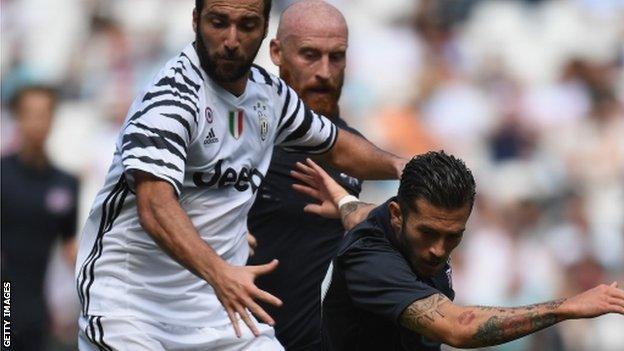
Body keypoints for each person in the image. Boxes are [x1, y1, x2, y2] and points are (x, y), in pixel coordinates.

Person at [74, 0, 405, 350]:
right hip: (132, 310)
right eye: (219, 22)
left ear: (264, 30)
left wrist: (405, 167)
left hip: (215, 314)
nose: (231, 39)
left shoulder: (269, 96)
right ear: (196, 20)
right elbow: (154, 206)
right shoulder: (170, 99)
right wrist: (221, 273)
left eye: (247, 25)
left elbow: (335, 146)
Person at [291, 152, 624, 351]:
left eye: (453, 236)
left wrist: (344, 202)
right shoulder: (370, 261)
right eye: (428, 233)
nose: (438, 249)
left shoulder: (393, 219)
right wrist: (566, 307)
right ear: (398, 215)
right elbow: (459, 328)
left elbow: (364, 215)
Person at [247, 1, 362, 349]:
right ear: (277, 52)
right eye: (310, 55)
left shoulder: (356, 154)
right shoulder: (242, 140)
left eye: (336, 56)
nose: (325, 72)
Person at [1, 85, 79, 351]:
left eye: (44, 113)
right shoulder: (2, 175)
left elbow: (70, 247)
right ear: (18, 118)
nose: (38, 122)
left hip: (39, 310)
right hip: (5, 299)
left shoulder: (65, 184)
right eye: (30, 113)